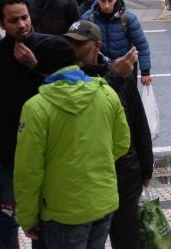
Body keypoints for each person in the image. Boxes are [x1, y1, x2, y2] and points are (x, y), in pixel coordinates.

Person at [14, 37, 130, 249]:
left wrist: (27, 216)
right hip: (102, 201)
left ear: (42, 69)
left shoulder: (36, 107)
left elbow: (28, 169)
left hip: (62, 209)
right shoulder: (105, 93)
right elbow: (122, 143)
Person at [0, 0, 67, 249]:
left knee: (46, 226)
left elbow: (67, 95)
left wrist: (34, 66)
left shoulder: (52, 48)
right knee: (4, 228)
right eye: (13, 20)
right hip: (6, 160)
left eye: (24, 18)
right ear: (1, 24)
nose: (22, 24)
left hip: (48, 157)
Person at [63, 20, 153, 249]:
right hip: (88, 177)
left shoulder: (120, 76)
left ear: (97, 46)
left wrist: (146, 166)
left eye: (79, 43)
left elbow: (138, 123)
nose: (73, 48)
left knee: (126, 239)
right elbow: (84, 110)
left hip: (125, 174)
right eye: (70, 43)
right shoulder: (67, 81)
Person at [83, 0, 152, 86]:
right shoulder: (88, 19)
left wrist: (145, 72)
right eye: (103, 1)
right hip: (99, 72)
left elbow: (142, 46)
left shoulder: (128, 18)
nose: (107, 5)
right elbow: (81, 48)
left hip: (125, 70)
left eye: (110, 1)